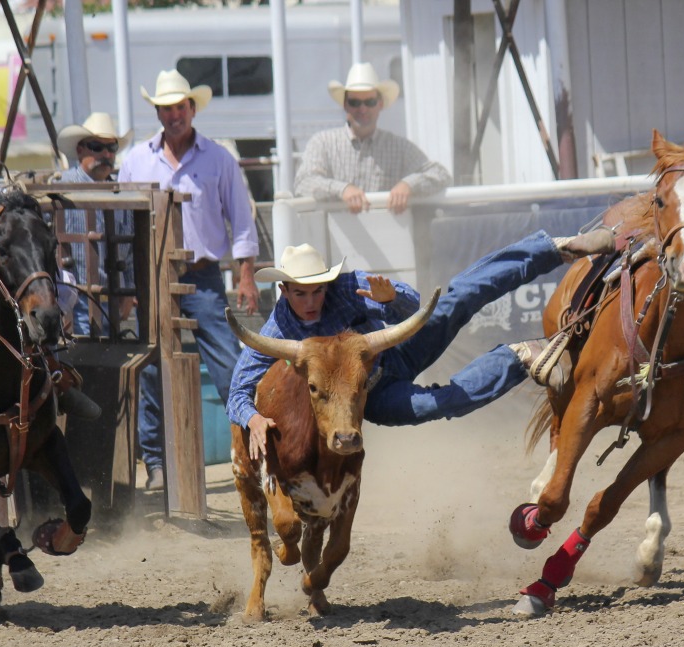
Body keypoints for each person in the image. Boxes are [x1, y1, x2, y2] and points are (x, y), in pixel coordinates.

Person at [227, 229, 616, 461]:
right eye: (301, 293)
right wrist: (254, 419)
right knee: (438, 404)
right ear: (283, 290)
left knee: (460, 298)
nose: (311, 301)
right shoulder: (277, 332)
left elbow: (416, 310)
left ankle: (555, 248)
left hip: (396, 349)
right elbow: (237, 394)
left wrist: (389, 300)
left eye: (317, 291)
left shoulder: (347, 286)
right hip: (374, 395)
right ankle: (516, 358)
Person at [118, 69, 259, 490]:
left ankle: (251, 447)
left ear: (191, 109)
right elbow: (125, 226)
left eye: (180, 107)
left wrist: (246, 275)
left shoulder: (218, 159)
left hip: (202, 277)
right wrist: (130, 285)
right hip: (153, 279)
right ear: (159, 112)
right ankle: (158, 464)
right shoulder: (136, 161)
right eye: (167, 108)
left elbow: (241, 218)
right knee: (152, 372)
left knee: (229, 366)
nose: (174, 114)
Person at [293, 62, 452, 215]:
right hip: (335, 241)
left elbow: (440, 175)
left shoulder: (399, 147)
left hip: (385, 238)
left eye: (370, 102)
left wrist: (408, 185)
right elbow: (303, 183)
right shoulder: (322, 143)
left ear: (380, 104)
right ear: (345, 105)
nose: (362, 109)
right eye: (355, 102)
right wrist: (342, 189)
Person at [54, 111, 135, 338]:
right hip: (72, 300)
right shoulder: (60, 188)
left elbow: (128, 250)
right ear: (80, 150)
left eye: (112, 148)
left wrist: (128, 290)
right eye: (97, 147)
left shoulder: (121, 193)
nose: (106, 154)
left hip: (112, 300)